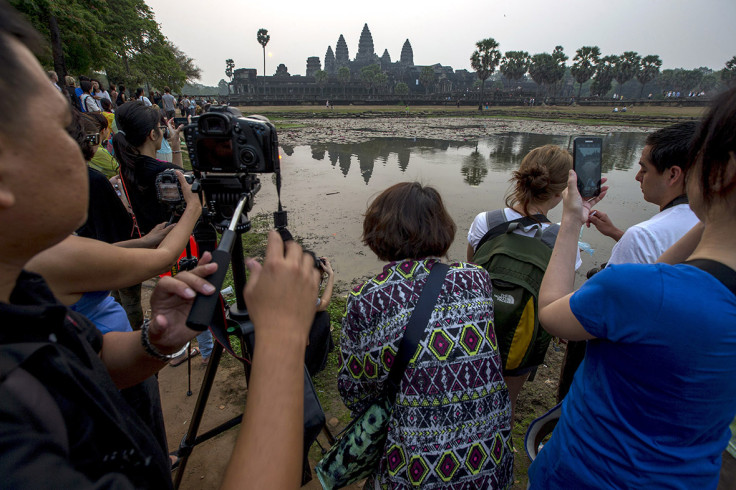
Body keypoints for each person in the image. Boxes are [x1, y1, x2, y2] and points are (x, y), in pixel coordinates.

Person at [0, 3, 321, 487]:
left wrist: (155, 341)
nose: (88, 147)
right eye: (63, 129)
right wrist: (279, 340)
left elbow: (92, 359)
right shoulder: (14, 439)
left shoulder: (23, 295)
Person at [528, 86, 736, 488]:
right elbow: (663, 283)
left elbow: (553, 310)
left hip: (589, 476)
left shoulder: (637, 291)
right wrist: (710, 220)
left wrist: (571, 219)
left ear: (720, 172)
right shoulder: (661, 292)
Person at [338, 182, 513, 489]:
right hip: (488, 453)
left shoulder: (367, 298)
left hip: (418, 464)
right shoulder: (477, 278)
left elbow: (354, 391)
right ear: (442, 229)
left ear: (377, 231)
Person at [466, 145, 580, 421]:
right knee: (508, 400)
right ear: (561, 192)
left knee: (466, 390)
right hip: (524, 335)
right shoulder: (563, 240)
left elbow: (470, 274)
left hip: (476, 330)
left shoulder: (486, 222)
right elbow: (558, 299)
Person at [588, 122, 700, 265]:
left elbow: (609, 287)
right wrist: (614, 232)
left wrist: (570, 220)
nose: (637, 177)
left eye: (644, 170)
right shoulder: (716, 222)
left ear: (672, 175)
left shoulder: (643, 236)